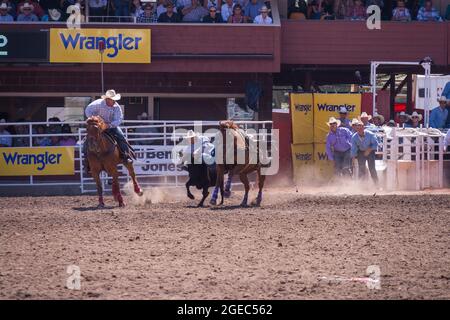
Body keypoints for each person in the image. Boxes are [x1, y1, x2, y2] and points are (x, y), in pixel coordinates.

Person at [84, 90, 133, 172]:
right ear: (107, 99)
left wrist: (109, 125)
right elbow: (87, 110)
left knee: (121, 137)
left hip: (111, 126)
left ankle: (126, 156)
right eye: (112, 100)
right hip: (97, 126)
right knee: (87, 140)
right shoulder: (97, 104)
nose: (114, 101)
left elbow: (119, 119)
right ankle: (87, 160)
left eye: (114, 100)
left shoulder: (116, 107)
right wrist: (94, 120)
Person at [351, 119, 379, 185]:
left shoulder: (370, 134)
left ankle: (377, 185)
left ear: (363, 127)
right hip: (361, 152)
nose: (360, 129)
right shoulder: (354, 137)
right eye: (358, 128)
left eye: (361, 127)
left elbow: (375, 143)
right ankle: (362, 186)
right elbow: (354, 148)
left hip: (370, 151)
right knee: (361, 169)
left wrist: (369, 150)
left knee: (372, 168)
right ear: (356, 129)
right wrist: (353, 157)